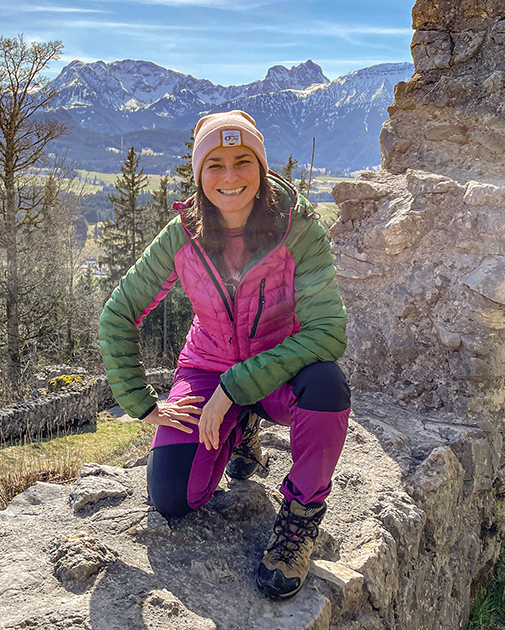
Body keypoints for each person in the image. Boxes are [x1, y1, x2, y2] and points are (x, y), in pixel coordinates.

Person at [98, 109, 349, 601]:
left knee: (327, 385)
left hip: (282, 368)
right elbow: (118, 312)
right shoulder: (182, 234)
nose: (230, 176)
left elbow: (327, 332)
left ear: (260, 166)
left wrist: (235, 388)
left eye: (242, 161)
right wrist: (144, 403)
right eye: (215, 163)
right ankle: (240, 429)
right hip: (207, 367)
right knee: (174, 499)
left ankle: (300, 519)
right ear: (198, 173)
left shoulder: (298, 229)